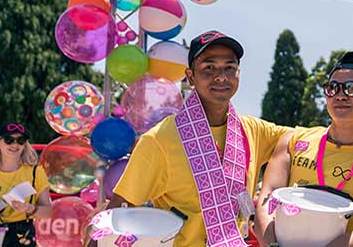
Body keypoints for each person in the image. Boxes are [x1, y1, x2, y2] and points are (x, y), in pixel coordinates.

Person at [109, 30, 291, 247]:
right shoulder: (160, 139)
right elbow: (116, 215)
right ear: (191, 76)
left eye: (230, 67)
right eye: (209, 68)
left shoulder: (252, 130)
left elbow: (301, 140)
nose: (221, 76)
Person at [254, 51, 353, 247]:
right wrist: (272, 245)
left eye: (352, 88)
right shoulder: (293, 140)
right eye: (332, 87)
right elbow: (268, 198)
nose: (340, 95)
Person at [0, 122, 52, 247]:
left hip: (22, 234)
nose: (15, 145)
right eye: (9, 139)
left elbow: (48, 212)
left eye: (20, 140)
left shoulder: (35, 172)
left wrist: (29, 208)